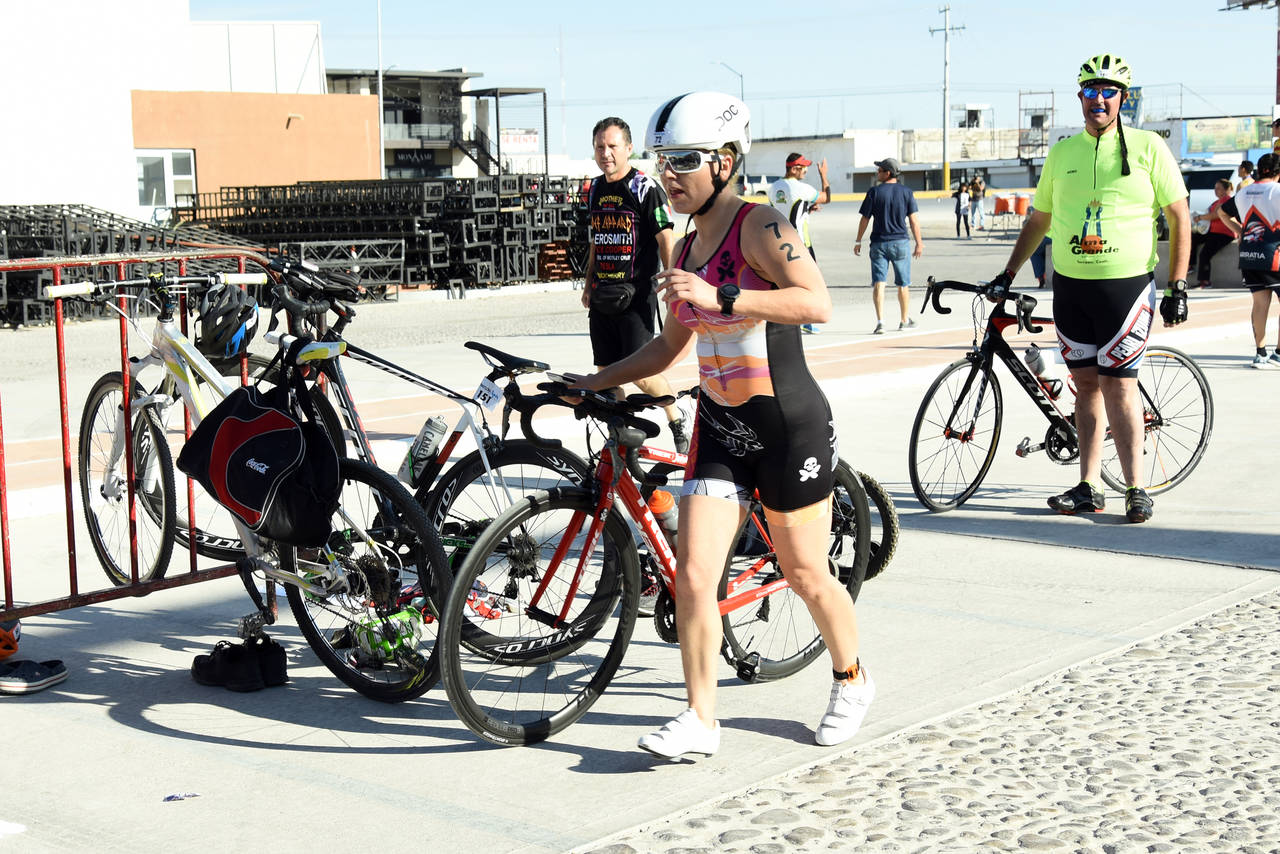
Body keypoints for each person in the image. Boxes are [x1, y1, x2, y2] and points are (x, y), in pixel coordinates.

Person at [570, 91, 873, 759]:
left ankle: (852, 679)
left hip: (787, 429)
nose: (668, 173)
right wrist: (590, 381)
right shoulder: (686, 249)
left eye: (683, 160)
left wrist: (724, 296)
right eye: (662, 160)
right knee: (693, 577)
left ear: (725, 161)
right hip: (720, 429)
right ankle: (701, 719)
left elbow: (817, 302)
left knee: (805, 573)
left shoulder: (761, 225)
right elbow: (666, 349)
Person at [986, 53, 1190, 524]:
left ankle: (1136, 488)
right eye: (1091, 91)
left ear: (1123, 98)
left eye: (1109, 91)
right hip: (1071, 288)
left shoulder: (1148, 147)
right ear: (1080, 97)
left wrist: (1178, 285)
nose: (1099, 99)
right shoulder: (1062, 153)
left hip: (1126, 288)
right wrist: (1008, 272)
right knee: (1085, 387)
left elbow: (1179, 215)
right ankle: (1089, 486)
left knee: (1120, 386)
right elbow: (1039, 219)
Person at [583, 117, 689, 455]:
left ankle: (676, 416)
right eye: (600, 147)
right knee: (606, 374)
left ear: (628, 148)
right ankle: (620, 439)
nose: (606, 153)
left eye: (612, 146)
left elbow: (666, 238)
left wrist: (673, 284)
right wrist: (588, 283)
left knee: (641, 374)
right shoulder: (594, 189)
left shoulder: (645, 188)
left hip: (635, 297)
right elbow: (596, 241)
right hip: (602, 296)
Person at [1216, 152, 1280, 368]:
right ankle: (1278, 354)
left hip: (1249, 254)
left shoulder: (1244, 192)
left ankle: (1260, 353)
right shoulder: (1277, 190)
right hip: (1274, 256)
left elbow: (1222, 212)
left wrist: (1241, 231)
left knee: (1259, 304)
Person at [855, 157, 923, 333]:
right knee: (903, 284)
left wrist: (858, 240)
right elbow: (914, 220)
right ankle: (904, 320)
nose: (877, 173)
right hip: (900, 243)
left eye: (879, 170)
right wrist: (919, 243)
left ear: (888, 173)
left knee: (879, 282)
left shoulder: (874, 192)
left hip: (878, 243)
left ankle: (880, 322)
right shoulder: (906, 192)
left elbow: (864, 219)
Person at [769, 152, 832, 333]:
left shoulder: (774, 187)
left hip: (779, 240)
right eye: (803, 168)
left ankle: (784, 320)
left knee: (784, 281)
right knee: (809, 283)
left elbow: (784, 209)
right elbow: (827, 197)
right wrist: (824, 175)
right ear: (794, 169)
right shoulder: (800, 188)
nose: (805, 171)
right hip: (801, 242)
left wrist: (806, 209)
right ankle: (805, 321)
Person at [1189, 178, 1236, 288]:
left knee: (1205, 254)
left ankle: (1205, 281)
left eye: (1218, 188)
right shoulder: (1216, 202)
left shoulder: (1226, 200)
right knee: (1193, 237)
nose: (1215, 190)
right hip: (1213, 232)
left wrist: (1199, 217)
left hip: (1224, 233)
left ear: (1226, 190)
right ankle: (1190, 265)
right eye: (1215, 188)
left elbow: (1215, 215)